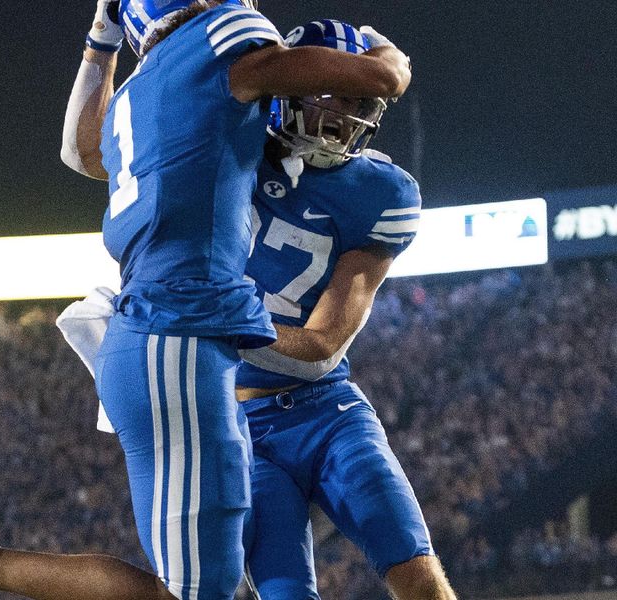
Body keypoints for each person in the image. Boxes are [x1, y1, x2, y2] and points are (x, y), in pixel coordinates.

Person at [0, 1, 411, 599]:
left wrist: (100, 43)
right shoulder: (225, 35)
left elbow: (81, 153)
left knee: (202, 590)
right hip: (178, 335)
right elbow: (383, 79)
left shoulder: (142, 89)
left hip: (161, 337)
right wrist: (389, 54)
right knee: (193, 594)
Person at [235, 20, 457, 600]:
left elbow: (321, 345)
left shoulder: (381, 193)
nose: (351, 112)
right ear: (296, 84)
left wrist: (213, 323)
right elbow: (94, 153)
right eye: (339, 92)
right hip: (242, 425)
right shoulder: (230, 143)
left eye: (362, 100)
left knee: (417, 575)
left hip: (326, 410)